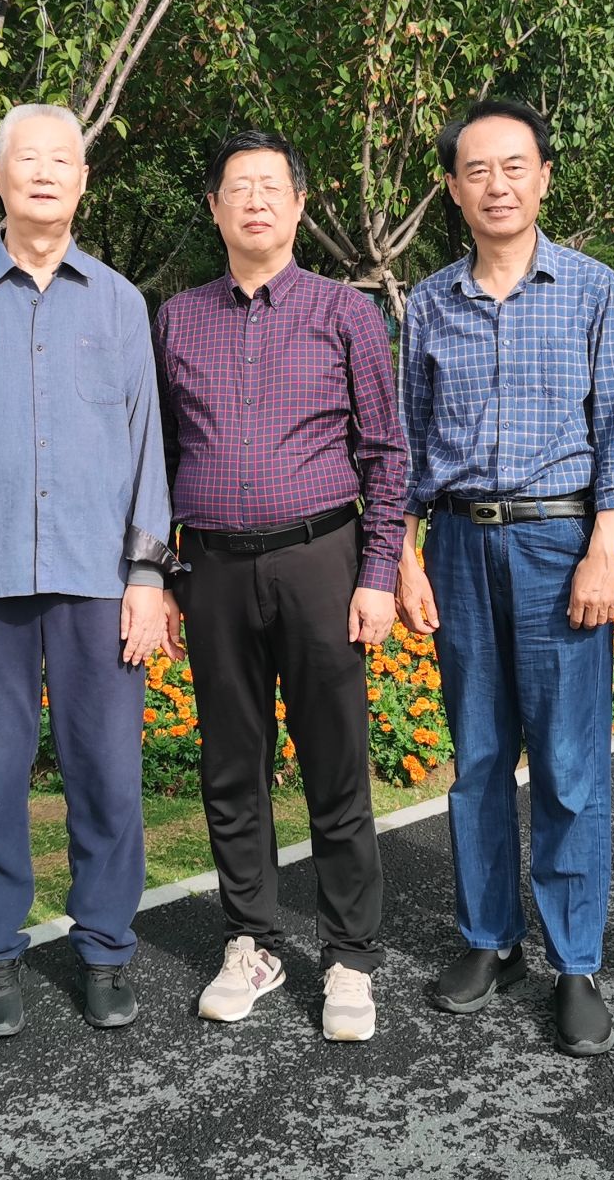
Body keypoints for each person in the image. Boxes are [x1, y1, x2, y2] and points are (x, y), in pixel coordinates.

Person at [0, 103, 174, 1039]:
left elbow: (148, 446)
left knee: (108, 776)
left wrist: (148, 575)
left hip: (100, 579)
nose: (45, 173)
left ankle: (105, 949)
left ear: (83, 181)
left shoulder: (120, 302)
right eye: (28, 159)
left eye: (62, 160)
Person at [396, 99, 614, 1058]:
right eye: (476, 170)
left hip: (558, 545)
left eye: (514, 167)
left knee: (569, 765)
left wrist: (605, 549)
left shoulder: (590, 287)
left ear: (543, 176)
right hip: (460, 545)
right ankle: (489, 940)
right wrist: (405, 556)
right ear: (452, 188)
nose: (496, 186)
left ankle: (575, 962)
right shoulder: (430, 303)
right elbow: (408, 444)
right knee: (477, 758)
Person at [153, 130, 408, 1042]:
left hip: (321, 561)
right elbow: (158, 457)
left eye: (272, 186)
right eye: (238, 187)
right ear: (214, 207)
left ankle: (350, 956)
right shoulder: (177, 319)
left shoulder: (345, 312)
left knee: (336, 767)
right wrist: (160, 574)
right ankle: (253, 941)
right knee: (233, 766)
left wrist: (378, 572)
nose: (255, 200)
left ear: (299, 205)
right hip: (213, 569)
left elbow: (386, 453)